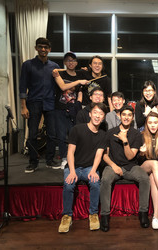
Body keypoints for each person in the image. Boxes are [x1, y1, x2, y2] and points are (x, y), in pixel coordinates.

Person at [58, 102, 108, 233]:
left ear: (103, 117)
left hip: (89, 167)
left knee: (95, 183)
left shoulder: (103, 134)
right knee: (69, 184)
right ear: (90, 114)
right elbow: (70, 152)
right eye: (95, 113)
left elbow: (98, 155)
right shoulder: (77, 129)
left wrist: (93, 170)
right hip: (73, 166)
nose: (98, 116)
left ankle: (93, 214)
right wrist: (72, 171)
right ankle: (67, 216)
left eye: (101, 114)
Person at [100, 105, 150, 232]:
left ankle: (143, 213)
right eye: (124, 115)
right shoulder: (111, 132)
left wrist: (125, 141)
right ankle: (105, 216)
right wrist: (114, 166)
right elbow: (104, 155)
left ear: (132, 117)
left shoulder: (136, 134)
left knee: (144, 178)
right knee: (105, 180)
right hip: (113, 165)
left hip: (130, 166)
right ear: (120, 116)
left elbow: (130, 156)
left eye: (129, 115)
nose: (126, 117)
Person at [19, 37, 61, 173]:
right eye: (40, 47)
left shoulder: (55, 67)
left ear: (49, 49)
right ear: (36, 48)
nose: (43, 49)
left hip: (50, 102)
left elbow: (61, 84)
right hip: (33, 102)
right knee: (32, 133)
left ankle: (49, 160)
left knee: (52, 134)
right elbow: (22, 86)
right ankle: (33, 162)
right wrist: (23, 106)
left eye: (46, 47)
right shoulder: (28, 65)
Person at [52, 52, 89, 169]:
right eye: (68, 60)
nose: (71, 62)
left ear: (76, 62)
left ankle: (73, 158)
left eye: (73, 60)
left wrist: (78, 105)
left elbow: (80, 91)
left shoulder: (80, 73)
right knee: (62, 135)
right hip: (60, 108)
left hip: (74, 109)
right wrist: (79, 81)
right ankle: (64, 158)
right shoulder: (59, 74)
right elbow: (63, 87)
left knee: (74, 134)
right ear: (64, 62)